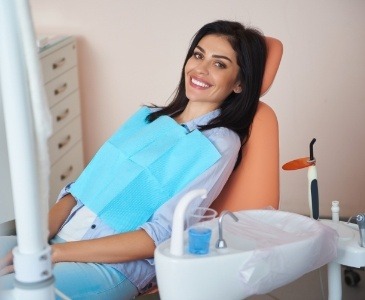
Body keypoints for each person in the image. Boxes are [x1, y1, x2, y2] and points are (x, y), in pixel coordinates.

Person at [0, 20, 267, 299]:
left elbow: (162, 234)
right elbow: (80, 191)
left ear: (239, 83)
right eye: (198, 55)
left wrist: (55, 254)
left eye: (219, 64)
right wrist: (37, 241)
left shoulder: (219, 143)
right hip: (58, 240)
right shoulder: (146, 118)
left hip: (110, 268)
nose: (200, 68)